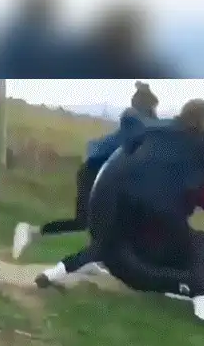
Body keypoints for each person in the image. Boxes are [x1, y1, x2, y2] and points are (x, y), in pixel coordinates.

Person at [34, 98, 204, 322]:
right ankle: (201, 311)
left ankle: (51, 274)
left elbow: (131, 133)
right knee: (198, 245)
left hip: (133, 202)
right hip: (168, 210)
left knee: (105, 247)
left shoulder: (158, 127)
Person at [11, 81, 160, 263]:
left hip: (106, 176)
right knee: (85, 222)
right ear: (145, 107)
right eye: (153, 108)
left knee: (118, 219)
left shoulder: (141, 124)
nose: (155, 112)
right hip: (93, 171)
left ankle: (102, 261)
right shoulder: (134, 121)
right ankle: (31, 232)